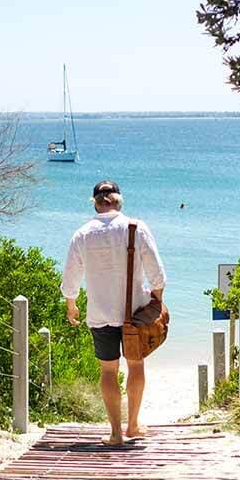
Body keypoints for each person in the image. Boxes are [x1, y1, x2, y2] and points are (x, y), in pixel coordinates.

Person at [61, 180, 166, 445]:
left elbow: (72, 274)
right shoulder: (136, 228)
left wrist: (71, 303)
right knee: (136, 365)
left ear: (96, 202)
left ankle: (115, 433)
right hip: (135, 314)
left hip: (100, 312)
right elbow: (156, 271)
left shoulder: (83, 234)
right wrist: (157, 301)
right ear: (119, 200)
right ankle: (133, 425)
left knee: (108, 372)